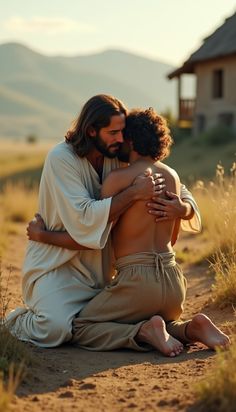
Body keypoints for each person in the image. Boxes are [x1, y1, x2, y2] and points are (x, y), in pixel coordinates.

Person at [7, 95, 200, 349]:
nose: (120, 139)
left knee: (127, 313)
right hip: (59, 266)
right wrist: (133, 193)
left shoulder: (116, 155)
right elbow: (86, 219)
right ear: (91, 130)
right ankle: (11, 323)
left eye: (123, 132)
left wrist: (182, 208)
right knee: (54, 329)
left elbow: (175, 184)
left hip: (100, 273)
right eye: (113, 132)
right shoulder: (61, 159)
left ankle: (161, 330)